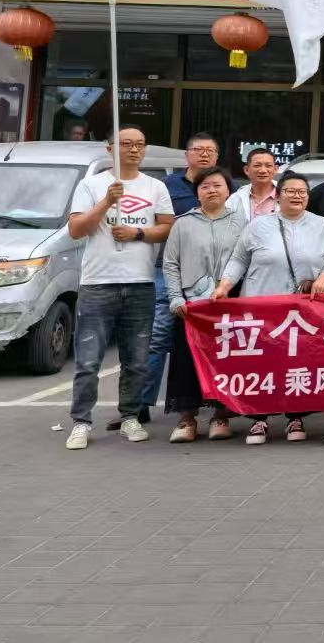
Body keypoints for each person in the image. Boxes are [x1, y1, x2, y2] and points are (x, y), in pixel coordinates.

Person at [63, 126, 175, 451]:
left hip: (140, 283)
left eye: (140, 144)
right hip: (97, 283)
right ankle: (81, 422)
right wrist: (106, 202)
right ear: (110, 148)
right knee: (88, 360)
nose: (134, 149)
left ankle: (130, 416)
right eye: (126, 144)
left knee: (136, 359)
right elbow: (75, 229)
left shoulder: (155, 186)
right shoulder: (92, 184)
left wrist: (138, 234)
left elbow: (167, 227)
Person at [213, 172, 324, 446]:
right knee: (262, 364)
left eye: (302, 192)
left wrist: (323, 278)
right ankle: (259, 418)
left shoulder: (322, 225)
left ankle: (295, 417)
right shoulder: (259, 225)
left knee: (298, 363)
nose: (297, 196)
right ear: (279, 195)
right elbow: (238, 259)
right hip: (262, 307)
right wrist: (225, 286)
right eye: (291, 191)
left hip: (302, 310)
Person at [137, 131, 227, 427]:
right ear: (187, 155)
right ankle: (141, 404)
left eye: (210, 150)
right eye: (198, 149)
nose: (204, 154)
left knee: (215, 339)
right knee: (160, 335)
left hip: (215, 276)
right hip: (170, 270)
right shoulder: (167, 186)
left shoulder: (227, 187)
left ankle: (216, 402)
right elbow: (153, 223)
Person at [162, 166, 244, 445]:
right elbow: (170, 263)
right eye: (205, 186)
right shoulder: (183, 223)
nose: (212, 190)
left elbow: (246, 260)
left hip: (228, 302)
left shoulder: (240, 222)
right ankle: (187, 418)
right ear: (197, 192)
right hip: (191, 305)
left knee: (226, 359)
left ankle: (221, 415)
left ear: (228, 190)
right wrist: (175, 297)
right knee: (187, 360)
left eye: (217, 185)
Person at [226, 147, 280, 218]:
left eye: (268, 166)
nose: (263, 170)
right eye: (257, 165)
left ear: (275, 169)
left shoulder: (287, 194)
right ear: (246, 170)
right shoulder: (236, 198)